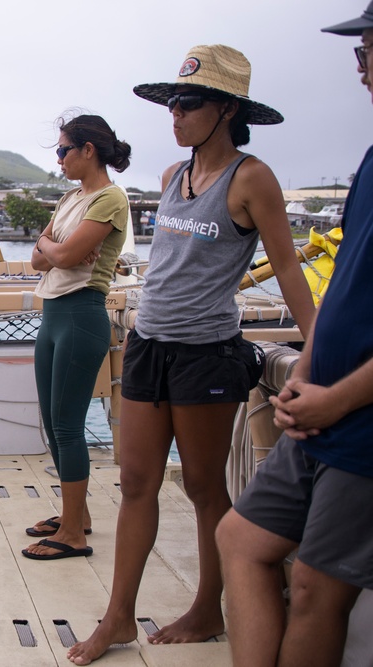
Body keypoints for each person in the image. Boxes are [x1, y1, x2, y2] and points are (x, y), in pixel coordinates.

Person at [67, 45, 316, 665]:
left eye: (188, 103)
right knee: (136, 484)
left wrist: (315, 343)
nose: (174, 115)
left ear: (226, 109)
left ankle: (209, 607)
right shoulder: (173, 177)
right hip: (150, 341)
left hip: (207, 351)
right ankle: (118, 617)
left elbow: (285, 263)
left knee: (206, 487)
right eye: (171, 103)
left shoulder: (251, 177)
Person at [216, 8, 373, 666]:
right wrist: (307, 367)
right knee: (240, 538)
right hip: (320, 409)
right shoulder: (370, 161)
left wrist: (335, 400)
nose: (360, 61)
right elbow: (342, 290)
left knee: (313, 583)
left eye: (369, 47)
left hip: (359, 424)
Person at [22, 114, 131, 561]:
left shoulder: (109, 199)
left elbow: (62, 253)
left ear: (89, 150)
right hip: (53, 314)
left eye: (64, 150)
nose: (59, 158)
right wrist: (55, 250)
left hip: (83, 314)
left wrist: (56, 250)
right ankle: (76, 515)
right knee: (53, 422)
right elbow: (39, 259)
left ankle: (72, 535)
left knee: (68, 426)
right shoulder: (71, 198)